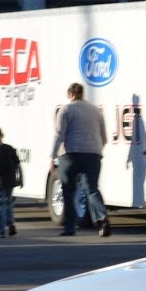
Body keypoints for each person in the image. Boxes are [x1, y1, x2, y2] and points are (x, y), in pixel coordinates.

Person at [50, 82, 110, 236]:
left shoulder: (66, 109)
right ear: (82, 94)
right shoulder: (96, 111)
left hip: (71, 156)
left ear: (70, 94)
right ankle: (103, 219)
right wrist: (96, 151)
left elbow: (59, 135)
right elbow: (104, 137)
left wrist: (52, 156)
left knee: (68, 191)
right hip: (93, 155)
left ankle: (70, 227)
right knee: (92, 189)